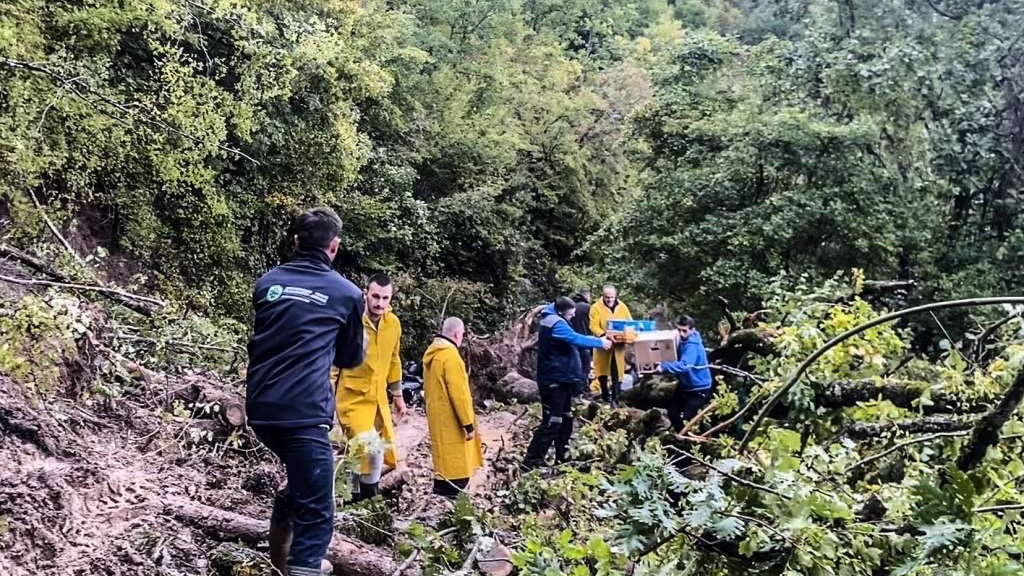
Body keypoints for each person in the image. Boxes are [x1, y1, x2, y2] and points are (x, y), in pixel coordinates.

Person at [245, 207, 365, 576]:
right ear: (334, 246)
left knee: (299, 487)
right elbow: (349, 358)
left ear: (295, 242)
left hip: (261, 410)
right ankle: (302, 568)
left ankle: (280, 563)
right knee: (317, 514)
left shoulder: (267, 283)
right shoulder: (346, 294)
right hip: (303, 415)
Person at [333, 273, 407, 501]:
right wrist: (325, 395)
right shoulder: (351, 321)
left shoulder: (392, 324)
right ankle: (366, 498)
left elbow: (393, 359)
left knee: (372, 451)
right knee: (370, 449)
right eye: (375, 296)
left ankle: (354, 497)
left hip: (378, 400)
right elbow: (334, 363)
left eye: (385, 298)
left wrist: (398, 394)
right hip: (351, 399)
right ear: (366, 294)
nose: (380, 303)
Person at [523, 297, 612, 469]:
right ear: (562, 311)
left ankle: (561, 457)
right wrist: (599, 342)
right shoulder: (555, 323)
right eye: (571, 315)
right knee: (552, 421)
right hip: (553, 380)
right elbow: (575, 338)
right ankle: (531, 461)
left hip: (562, 380)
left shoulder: (554, 318)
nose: (572, 317)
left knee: (566, 419)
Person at [423, 317, 483, 497]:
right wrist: (468, 425)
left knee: (442, 467)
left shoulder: (433, 355)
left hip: (436, 417)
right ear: (457, 334)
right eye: (462, 334)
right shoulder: (451, 357)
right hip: (452, 421)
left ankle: (438, 501)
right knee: (457, 469)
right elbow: (460, 395)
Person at [657, 315, 713, 432]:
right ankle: (680, 436)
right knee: (672, 413)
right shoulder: (680, 340)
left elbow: (685, 365)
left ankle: (690, 440)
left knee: (687, 418)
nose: (681, 334)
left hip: (698, 388)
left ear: (692, 330)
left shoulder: (692, 345)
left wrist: (664, 366)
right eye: (679, 330)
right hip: (685, 386)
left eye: (684, 331)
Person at [589, 284, 632, 408]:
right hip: (603, 343)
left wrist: (628, 334)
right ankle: (605, 394)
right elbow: (593, 326)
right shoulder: (595, 307)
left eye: (612, 297)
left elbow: (629, 322)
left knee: (617, 371)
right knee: (602, 370)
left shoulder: (622, 307)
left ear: (616, 296)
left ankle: (615, 399)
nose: (610, 300)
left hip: (618, 345)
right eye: (607, 297)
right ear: (603, 296)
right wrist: (604, 334)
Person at [570, 289, 592, 397]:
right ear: (587, 296)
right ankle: (580, 391)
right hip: (584, 341)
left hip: (570, 341)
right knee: (585, 367)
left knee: (574, 366)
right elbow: (591, 326)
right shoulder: (587, 308)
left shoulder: (570, 306)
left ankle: (574, 391)